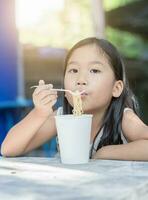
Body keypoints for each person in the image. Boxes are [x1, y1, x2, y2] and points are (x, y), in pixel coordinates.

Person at [1, 37, 148, 160]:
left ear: (115, 88)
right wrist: (39, 113)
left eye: (94, 70)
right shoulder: (62, 117)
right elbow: (8, 149)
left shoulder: (123, 118)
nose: (81, 79)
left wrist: (106, 152)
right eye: (74, 70)